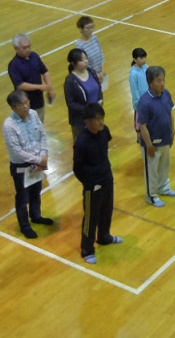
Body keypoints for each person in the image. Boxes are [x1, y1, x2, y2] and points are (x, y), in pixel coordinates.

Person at [73, 103, 123, 264]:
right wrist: (90, 183)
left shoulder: (104, 131)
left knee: (107, 210)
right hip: (93, 186)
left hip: (107, 178)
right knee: (91, 217)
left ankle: (104, 237)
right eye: (97, 119)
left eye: (102, 118)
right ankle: (87, 249)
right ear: (87, 122)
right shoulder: (81, 142)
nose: (101, 122)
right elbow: (77, 168)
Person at [1, 90, 54, 240]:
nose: (25, 106)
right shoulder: (9, 126)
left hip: (37, 161)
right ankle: (24, 225)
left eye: (26, 102)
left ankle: (36, 215)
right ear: (13, 107)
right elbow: (17, 151)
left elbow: (42, 135)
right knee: (23, 197)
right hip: (22, 166)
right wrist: (38, 160)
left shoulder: (34, 114)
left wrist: (43, 155)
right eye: (20, 104)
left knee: (36, 191)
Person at [137, 66, 175, 207]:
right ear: (150, 82)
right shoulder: (144, 102)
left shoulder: (166, 94)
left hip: (165, 139)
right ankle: (151, 195)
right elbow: (142, 125)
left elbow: (170, 113)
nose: (162, 83)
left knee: (165, 165)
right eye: (159, 81)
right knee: (151, 170)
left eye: (163, 80)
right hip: (152, 144)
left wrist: (172, 131)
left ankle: (163, 187)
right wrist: (149, 145)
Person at [8, 34, 55, 123]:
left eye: (29, 46)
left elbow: (44, 71)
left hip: (38, 100)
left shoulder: (34, 56)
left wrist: (49, 88)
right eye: (24, 47)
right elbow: (20, 85)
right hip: (24, 104)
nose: (28, 49)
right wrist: (40, 87)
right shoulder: (13, 65)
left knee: (39, 122)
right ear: (16, 48)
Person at [64, 48, 103, 143]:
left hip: (96, 115)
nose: (86, 61)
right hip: (80, 120)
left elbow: (99, 89)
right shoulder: (70, 81)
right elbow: (71, 103)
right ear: (73, 63)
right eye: (81, 60)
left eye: (86, 58)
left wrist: (100, 103)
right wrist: (88, 110)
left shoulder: (92, 72)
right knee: (83, 144)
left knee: (97, 141)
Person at [75, 15, 105, 85]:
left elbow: (101, 55)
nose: (91, 30)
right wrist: (95, 75)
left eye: (92, 27)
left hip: (100, 74)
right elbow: (83, 64)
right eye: (88, 28)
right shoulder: (80, 45)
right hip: (90, 76)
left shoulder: (95, 38)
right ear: (81, 29)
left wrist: (102, 72)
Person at [128, 47, 149, 134]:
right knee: (139, 125)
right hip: (140, 103)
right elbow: (134, 91)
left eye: (144, 57)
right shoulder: (133, 74)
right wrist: (138, 104)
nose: (144, 60)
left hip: (148, 100)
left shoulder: (146, 67)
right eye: (141, 58)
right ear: (135, 59)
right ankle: (139, 137)